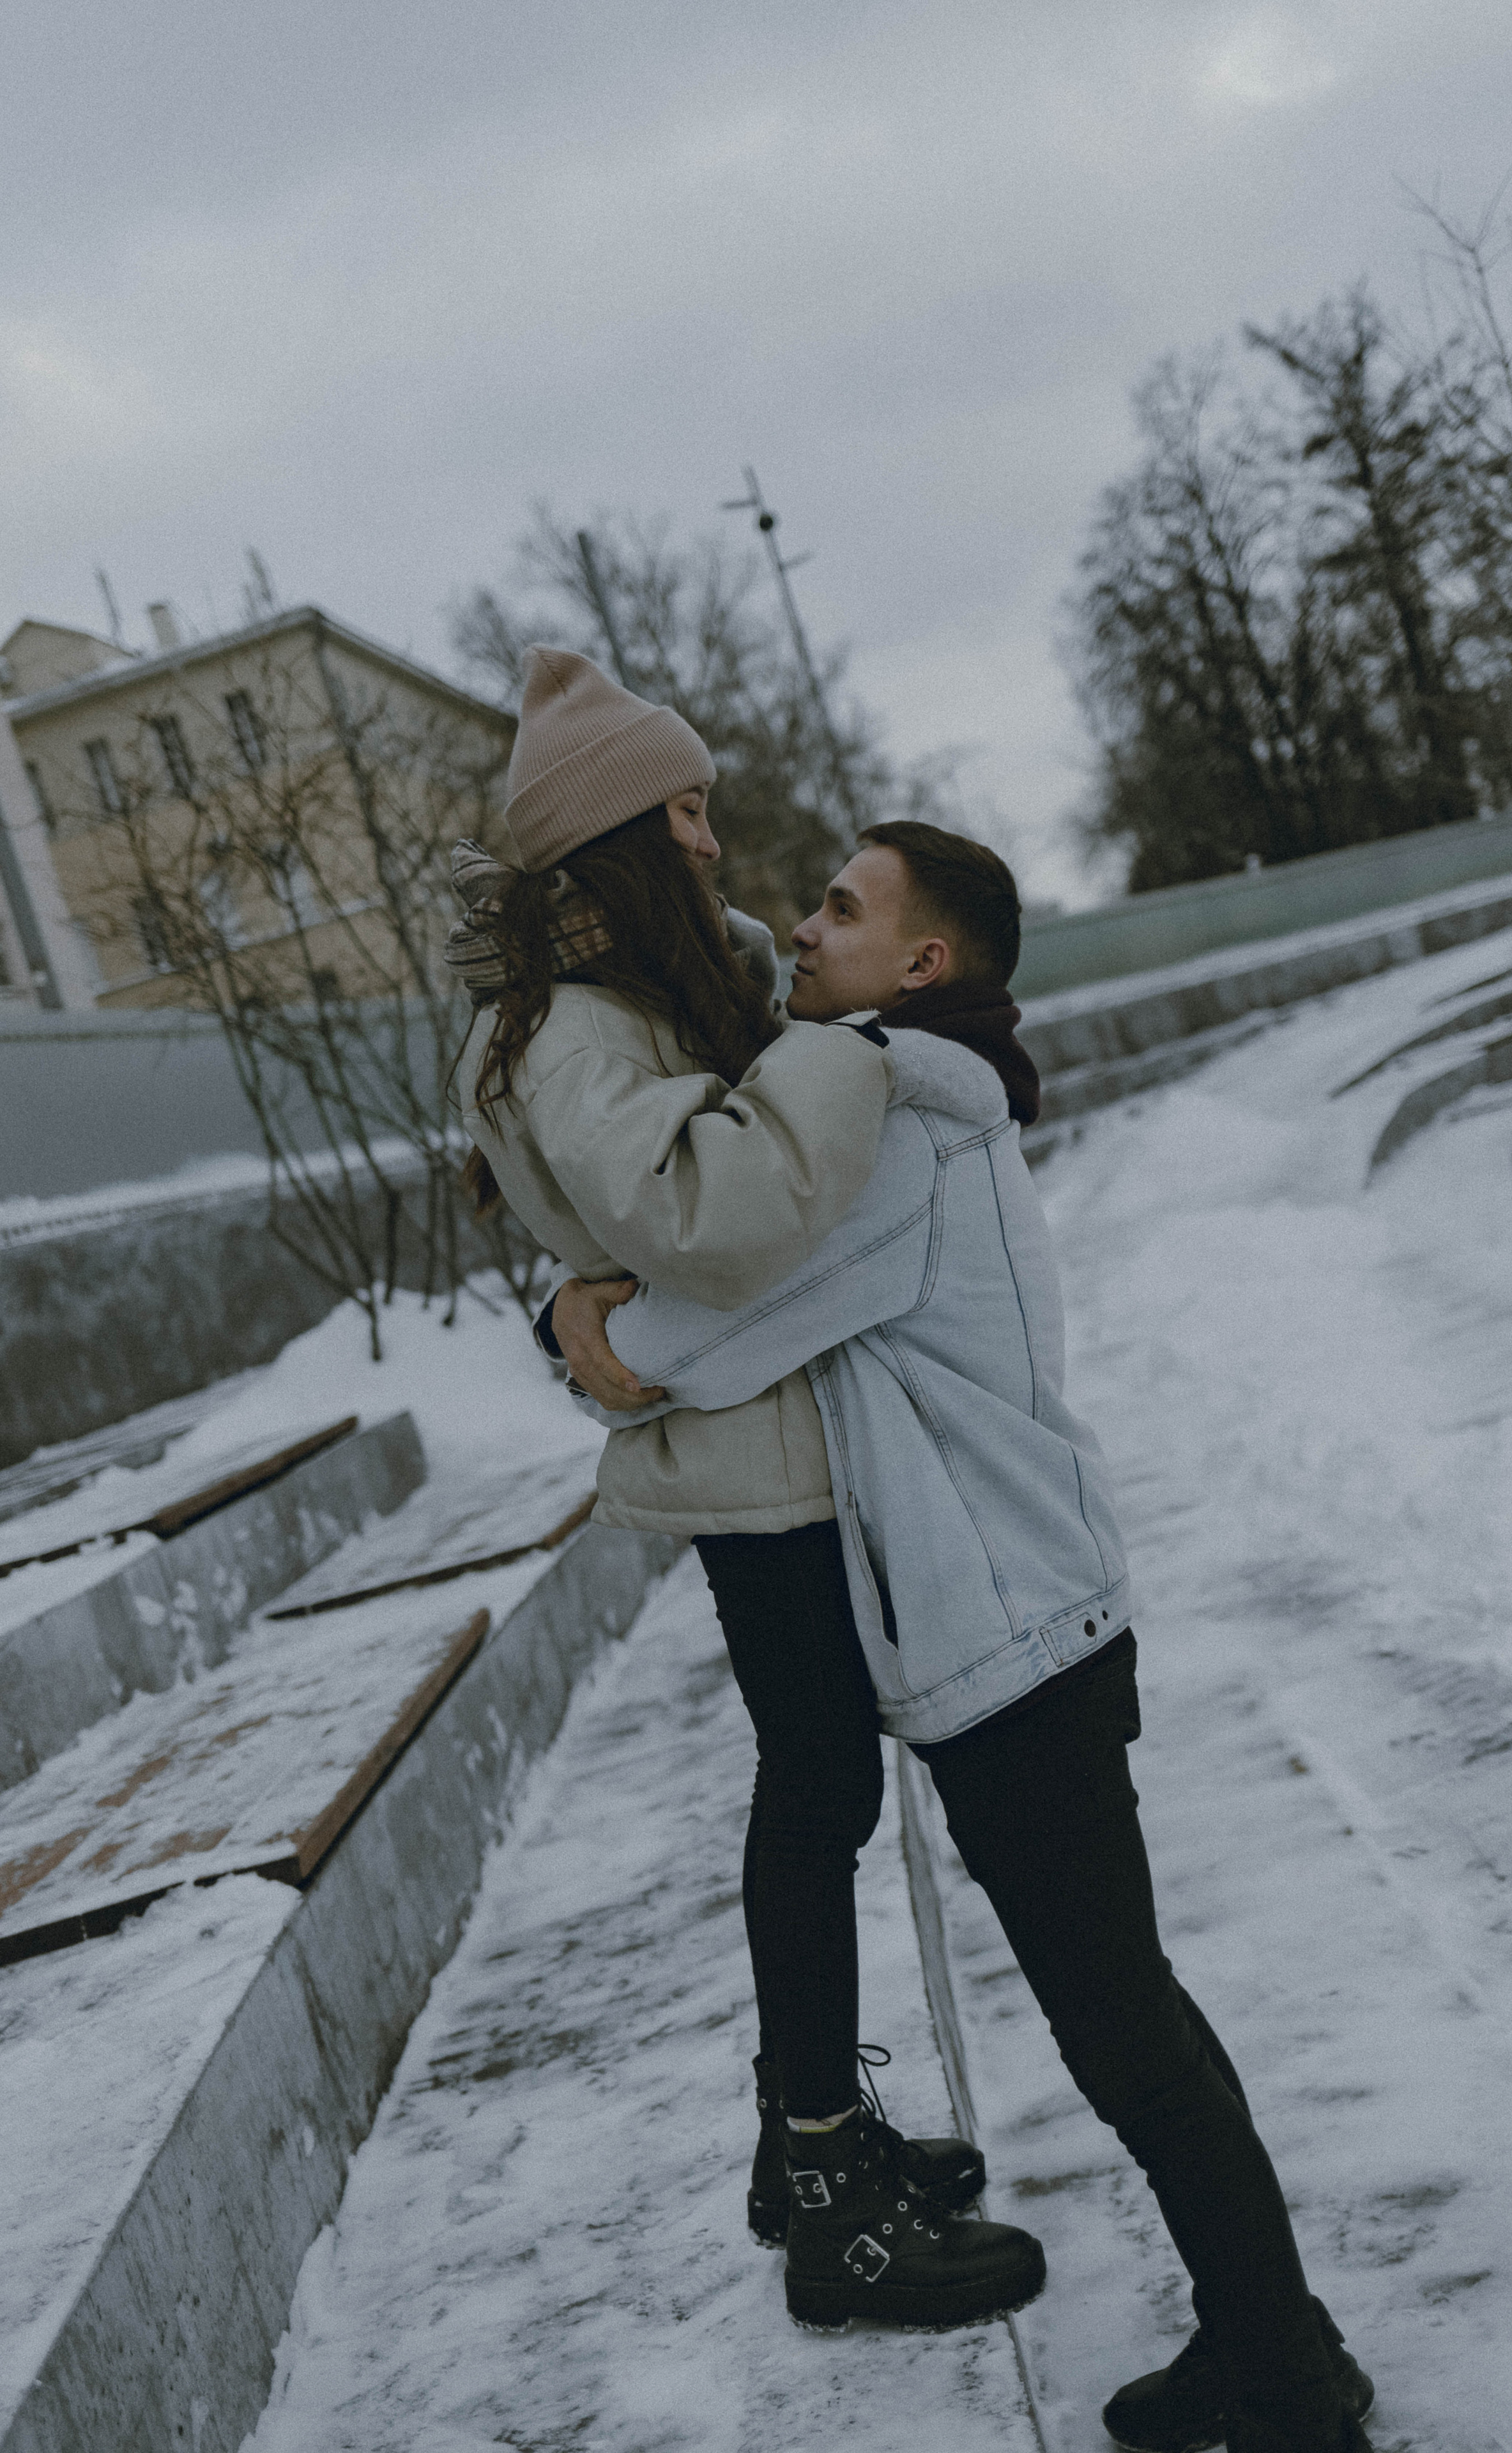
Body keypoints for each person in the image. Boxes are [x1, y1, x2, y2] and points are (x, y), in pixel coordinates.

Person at [553, 820, 1376, 2453]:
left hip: (1016, 1643)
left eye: (840, 910)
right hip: (1025, 1623)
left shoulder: (896, 1127)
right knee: (1129, 2006)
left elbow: (686, 1343)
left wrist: (571, 1318)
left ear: (921, 965)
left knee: (1120, 2030)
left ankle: (1285, 2372)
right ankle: (1271, 2340)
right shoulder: (894, 1094)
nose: (802, 924)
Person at [448, 646, 1041, 2337]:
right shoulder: (577, 1030)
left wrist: (818, 1003)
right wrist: (849, 1045)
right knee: (817, 1789)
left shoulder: (657, 989)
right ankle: (823, 2188)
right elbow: (712, 1213)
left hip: (777, 1433)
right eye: (686, 812)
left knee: (824, 1783)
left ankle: (812, 2147)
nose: (715, 843)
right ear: (621, 839)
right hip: (740, 1463)